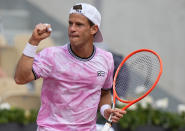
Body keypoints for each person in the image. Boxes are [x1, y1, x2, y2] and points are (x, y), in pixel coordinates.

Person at [14, 3, 126, 131]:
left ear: (93, 29)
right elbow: (20, 79)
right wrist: (33, 42)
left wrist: (105, 110)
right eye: (70, 23)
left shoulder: (107, 59)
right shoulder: (51, 55)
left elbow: (104, 92)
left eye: (79, 24)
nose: (72, 28)